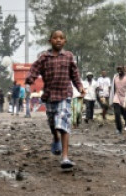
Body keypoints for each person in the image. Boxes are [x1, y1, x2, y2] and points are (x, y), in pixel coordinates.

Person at [25, 30, 85, 169]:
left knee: (63, 123)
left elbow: (74, 74)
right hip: (50, 95)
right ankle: (56, 138)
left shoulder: (68, 56)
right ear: (50, 41)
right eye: (55, 38)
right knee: (53, 124)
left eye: (61, 38)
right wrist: (30, 78)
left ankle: (65, 157)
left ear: (65, 41)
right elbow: (34, 69)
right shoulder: (44, 58)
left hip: (65, 94)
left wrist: (80, 87)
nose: (58, 40)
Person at [111, 65, 126, 135]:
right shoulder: (115, 78)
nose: (119, 71)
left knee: (125, 114)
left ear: (123, 70)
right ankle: (119, 129)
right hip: (117, 97)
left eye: (120, 69)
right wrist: (112, 98)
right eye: (118, 69)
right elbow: (113, 88)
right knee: (117, 114)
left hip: (125, 98)